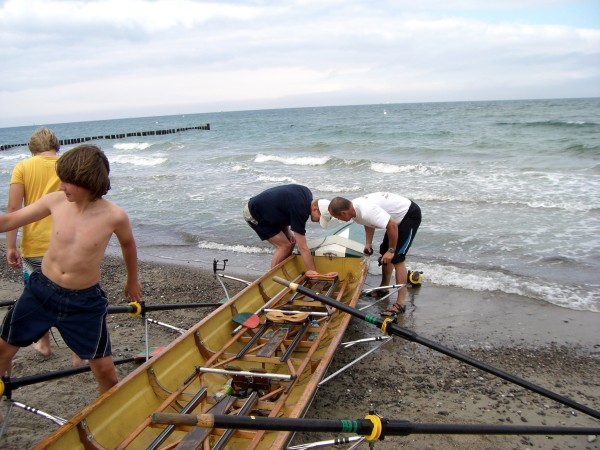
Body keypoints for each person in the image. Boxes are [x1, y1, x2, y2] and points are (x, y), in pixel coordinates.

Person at [0, 144, 141, 395]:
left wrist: (132, 281)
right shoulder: (55, 201)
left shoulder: (114, 216)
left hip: (83, 302)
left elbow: (128, 245)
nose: (61, 186)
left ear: (87, 181)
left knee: (106, 373)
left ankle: (107, 417)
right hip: (41, 291)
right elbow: (10, 219)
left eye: (67, 182)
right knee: (2, 351)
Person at [4, 128, 87, 365]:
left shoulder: (23, 167)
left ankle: (44, 343)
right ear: (56, 145)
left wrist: (11, 245)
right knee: (73, 293)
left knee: (37, 295)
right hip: (69, 242)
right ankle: (78, 351)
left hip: (35, 244)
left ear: (32, 148)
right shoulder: (69, 165)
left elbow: (13, 209)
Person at [328, 192, 421, 315]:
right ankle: (384, 288)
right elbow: (368, 222)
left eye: (338, 217)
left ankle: (400, 303)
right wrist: (368, 244)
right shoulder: (354, 210)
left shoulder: (366, 210)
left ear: (344, 213)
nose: (339, 220)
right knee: (384, 252)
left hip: (408, 215)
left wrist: (392, 250)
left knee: (397, 258)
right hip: (394, 220)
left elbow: (392, 225)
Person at [243, 184, 331, 276]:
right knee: (284, 246)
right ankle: (272, 276)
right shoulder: (301, 211)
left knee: (291, 242)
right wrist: (313, 272)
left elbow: (285, 206)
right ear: (314, 208)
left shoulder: (306, 193)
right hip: (254, 213)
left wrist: (287, 231)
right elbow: (303, 248)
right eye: (320, 218)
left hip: (269, 212)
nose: (318, 221)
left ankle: (283, 270)